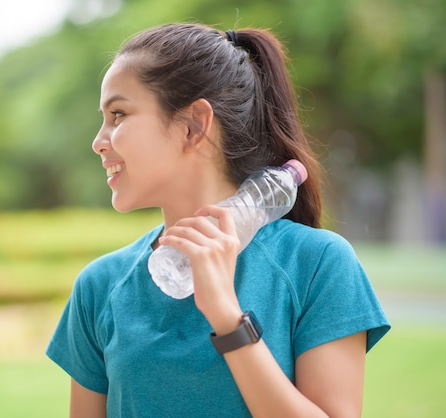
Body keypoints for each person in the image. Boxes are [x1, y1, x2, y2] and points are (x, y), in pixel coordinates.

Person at [46, 22, 390, 417]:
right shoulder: (100, 286)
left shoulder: (316, 264)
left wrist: (228, 319)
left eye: (119, 114)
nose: (98, 140)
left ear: (193, 126)